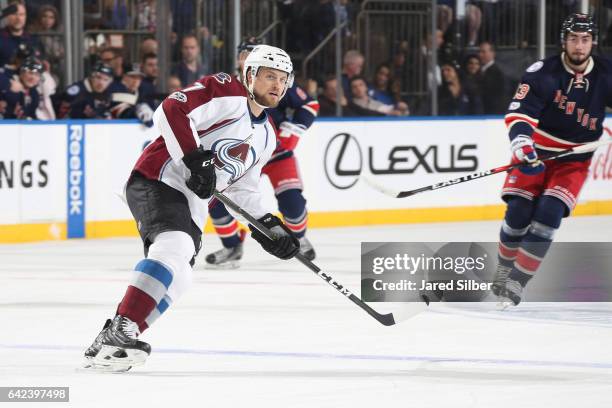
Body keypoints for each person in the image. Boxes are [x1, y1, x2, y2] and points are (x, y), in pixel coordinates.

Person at [82, 44, 300, 372]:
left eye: (284, 79)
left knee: (181, 276)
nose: (277, 85)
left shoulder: (267, 136)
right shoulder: (227, 90)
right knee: (175, 246)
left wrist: (268, 224)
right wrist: (194, 157)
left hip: (189, 203)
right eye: (270, 76)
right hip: (159, 178)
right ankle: (120, 329)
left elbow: (243, 189)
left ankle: (113, 339)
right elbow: (171, 109)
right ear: (251, 74)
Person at [493, 14, 611, 307]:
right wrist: (522, 144)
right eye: (573, 39)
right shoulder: (542, 72)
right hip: (537, 152)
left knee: (549, 212)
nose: (579, 46)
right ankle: (503, 270)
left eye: (585, 40)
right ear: (564, 41)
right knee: (519, 211)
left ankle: (517, 282)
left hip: (576, 159)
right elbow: (518, 115)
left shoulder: (607, 73)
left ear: (592, 42)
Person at [204, 38, 319, 268]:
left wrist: (292, 131)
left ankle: (300, 237)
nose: (250, 56)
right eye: (246, 53)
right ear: (239, 58)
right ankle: (231, 247)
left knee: (292, 201)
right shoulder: (228, 86)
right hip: (239, 157)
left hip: (276, 153)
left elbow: (309, 105)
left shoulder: (274, 79)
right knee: (217, 201)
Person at [478, 41, 507, 114]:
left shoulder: (496, 73)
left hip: (491, 114)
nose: (480, 54)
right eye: (479, 52)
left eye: (483, 52)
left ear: (492, 53)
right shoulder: (479, 70)